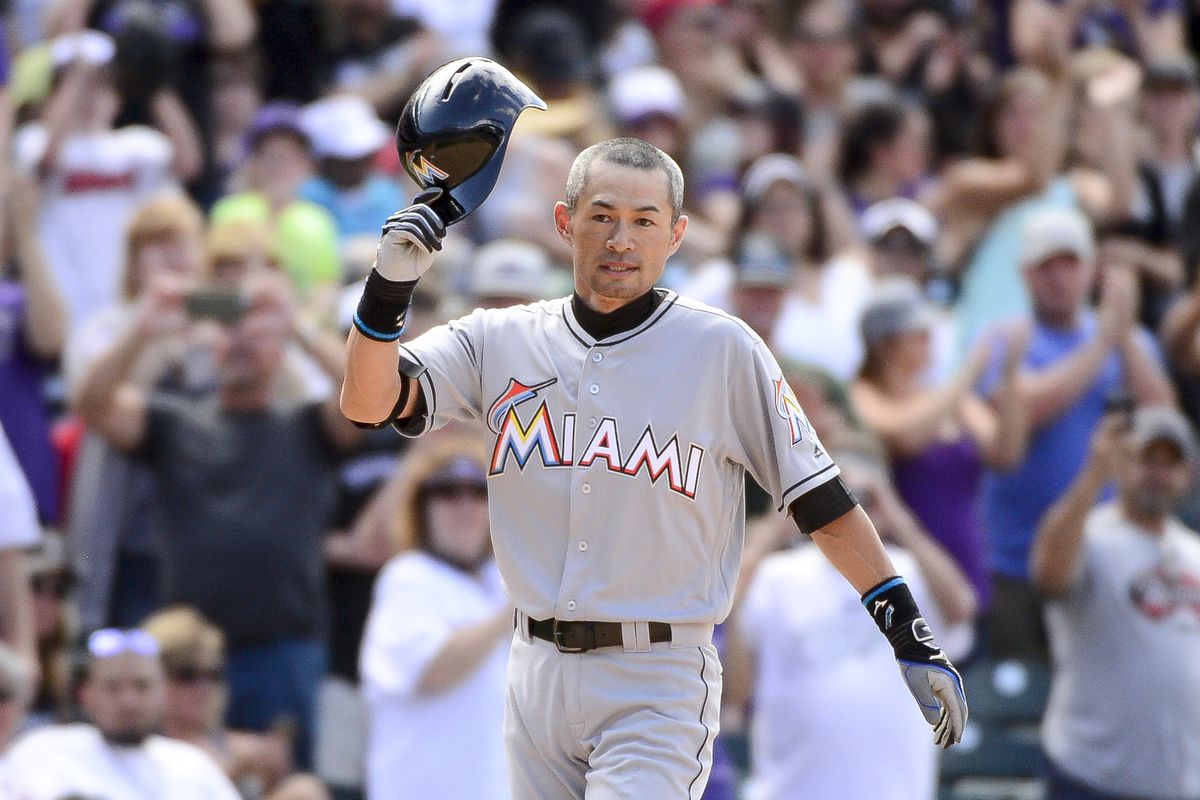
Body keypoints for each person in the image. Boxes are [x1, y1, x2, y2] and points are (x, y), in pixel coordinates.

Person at [341, 136, 968, 798]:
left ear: (676, 236)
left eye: (644, 222)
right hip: (534, 671)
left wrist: (908, 632)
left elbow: (822, 502)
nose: (621, 239)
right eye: (602, 216)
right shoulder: (500, 339)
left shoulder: (723, 350)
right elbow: (368, 400)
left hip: (658, 672)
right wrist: (387, 291)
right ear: (564, 223)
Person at [74, 270, 361, 768]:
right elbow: (91, 405)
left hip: (282, 651)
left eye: (256, 332)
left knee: (288, 782)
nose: (241, 341)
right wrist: (144, 329)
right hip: (185, 658)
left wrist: (295, 326)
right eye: (231, 330)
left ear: (279, 353)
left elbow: (371, 398)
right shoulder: (176, 422)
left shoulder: (308, 426)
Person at [979, 207, 1175, 659]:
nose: (1059, 277)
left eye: (1071, 263)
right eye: (1046, 265)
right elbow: (1024, 410)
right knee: (1018, 702)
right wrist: (1104, 341)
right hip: (1016, 560)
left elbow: (1164, 417)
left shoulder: (1132, 342)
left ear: (1091, 270)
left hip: (1106, 558)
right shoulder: (1007, 338)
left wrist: (1122, 338)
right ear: (1025, 275)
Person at [1029, 404, 1200, 800]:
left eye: (1169, 463)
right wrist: (1094, 473)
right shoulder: (1090, 534)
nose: (1158, 474)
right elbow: (1048, 573)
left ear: (1187, 474)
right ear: (1122, 463)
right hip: (1093, 777)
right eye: (1147, 460)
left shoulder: (1193, 550)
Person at [359, 438, 511, 800]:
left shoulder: (502, 582)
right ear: (421, 506)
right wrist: (510, 614)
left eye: (478, 492)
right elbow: (430, 669)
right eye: (447, 492)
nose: (465, 506)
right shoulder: (408, 578)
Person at [5, 627, 241, 799]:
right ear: (86, 695)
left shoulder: (192, 765)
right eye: (113, 686)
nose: (128, 701)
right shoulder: (42, 751)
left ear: (163, 693)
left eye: (142, 686)